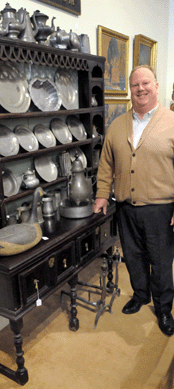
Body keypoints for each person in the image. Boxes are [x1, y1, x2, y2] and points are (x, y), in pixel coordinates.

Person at [93, 65, 174, 336]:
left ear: (156, 86)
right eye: (135, 84)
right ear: (130, 89)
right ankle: (141, 295)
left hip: (161, 209)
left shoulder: (171, 121)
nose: (140, 89)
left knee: (161, 262)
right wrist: (102, 194)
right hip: (125, 207)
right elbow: (106, 164)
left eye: (146, 83)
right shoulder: (117, 124)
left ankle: (164, 308)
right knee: (134, 257)